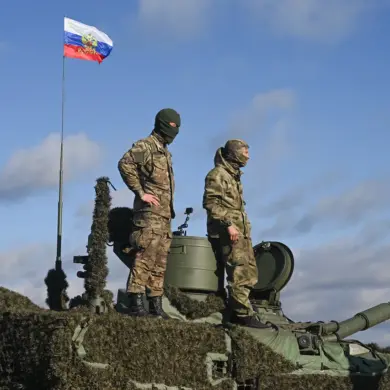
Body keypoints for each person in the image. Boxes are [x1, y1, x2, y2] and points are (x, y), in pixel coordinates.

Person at [117, 108, 181, 318]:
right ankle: (136, 303)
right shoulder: (146, 146)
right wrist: (141, 192)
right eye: (172, 127)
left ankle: (155, 305)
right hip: (149, 215)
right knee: (145, 257)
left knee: (160, 262)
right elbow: (125, 164)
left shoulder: (164, 151)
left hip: (164, 215)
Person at [202, 139, 270, 328]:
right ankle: (241, 314)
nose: (248, 155)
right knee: (239, 271)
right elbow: (211, 203)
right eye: (244, 151)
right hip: (227, 233)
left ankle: (240, 310)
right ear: (233, 153)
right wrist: (229, 224)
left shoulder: (233, 176)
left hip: (240, 232)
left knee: (249, 272)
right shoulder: (218, 175)